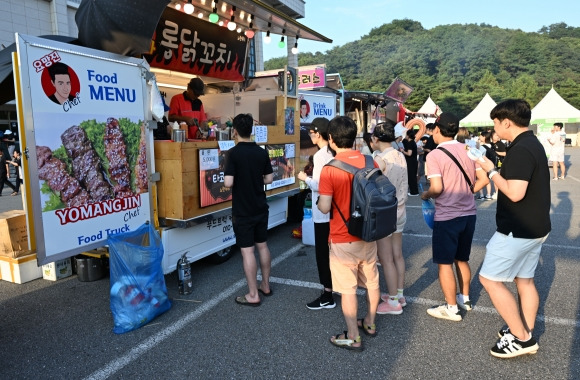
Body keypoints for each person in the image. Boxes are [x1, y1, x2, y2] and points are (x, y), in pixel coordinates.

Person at [477, 99, 551, 358]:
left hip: (517, 229)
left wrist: (490, 171)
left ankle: (522, 338)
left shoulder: (520, 150)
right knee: (525, 280)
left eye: (496, 122)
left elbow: (515, 192)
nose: (495, 128)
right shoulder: (531, 143)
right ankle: (525, 329)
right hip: (535, 226)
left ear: (506, 121)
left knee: (489, 279)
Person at [318, 116, 381, 351]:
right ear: (353, 137)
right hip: (368, 232)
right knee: (372, 281)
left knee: (348, 289)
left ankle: (353, 336)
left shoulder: (330, 169)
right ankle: (371, 323)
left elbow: (325, 207)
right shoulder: (369, 161)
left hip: (343, 237)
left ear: (331, 139)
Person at [420, 112, 488, 321]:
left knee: (444, 262)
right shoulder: (469, 149)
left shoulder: (434, 155)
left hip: (447, 216)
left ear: (437, 130)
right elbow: (484, 179)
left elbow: (437, 187)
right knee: (462, 258)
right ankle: (464, 298)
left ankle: (451, 308)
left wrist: (426, 194)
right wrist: (468, 192)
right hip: (469, 214)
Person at [224, 113, 273, 307]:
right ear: (251, 130)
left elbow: (228, 182)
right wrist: (255, 179)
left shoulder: (233, 153)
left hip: (243, 210)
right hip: (260, 207)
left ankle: (253, 294)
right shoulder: (261, 152)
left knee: (247, 252)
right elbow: (269, 179)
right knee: (262, 245)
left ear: (234, 131)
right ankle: (266, 285)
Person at [370, 121, 408, 315]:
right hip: (401, 210)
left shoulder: (380, 159)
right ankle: (399, 294)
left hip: (386, 212)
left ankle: (393, 301)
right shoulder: (400, 155)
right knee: (397, 255)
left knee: (386, 259)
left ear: (376, 139)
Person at [297, 118, 336, 310]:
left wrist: (306, 178)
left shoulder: (321, 155)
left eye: (311, 133)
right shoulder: (333, 152)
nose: (310, 136)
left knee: (322, 253)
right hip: (336, 211)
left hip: (322, 211)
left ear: (317, 134)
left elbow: (321, 186)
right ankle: (334, 288)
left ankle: (327, 294)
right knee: (334, 252)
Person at [402, 129, 419, 196]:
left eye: (406, 135)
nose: (405, 136)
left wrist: (403, 151)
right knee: (413, 176)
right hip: (414, 161)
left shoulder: (410, 143)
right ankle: (414, 191)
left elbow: (409, 153)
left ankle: (414, 192)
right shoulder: (413, 142)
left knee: (411, 176)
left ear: (408, 135)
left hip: (410, 162)